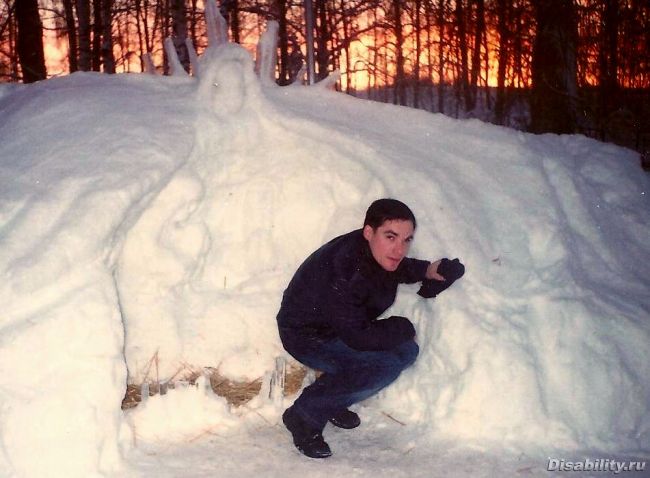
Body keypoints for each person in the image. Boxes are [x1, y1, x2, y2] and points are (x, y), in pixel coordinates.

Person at [276, 198, 465, 458]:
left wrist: (428, 270)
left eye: (406, 239)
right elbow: (359, 338)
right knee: (384, 365)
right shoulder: (345, 270)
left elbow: (395, 266)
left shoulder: (372, 250)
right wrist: (402, 326)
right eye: (391, 237)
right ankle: (304, 415)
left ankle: (333, 397)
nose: (399, 249)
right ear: (369, 232)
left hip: (339, 329)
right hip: (306, 336)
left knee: (405, 352)